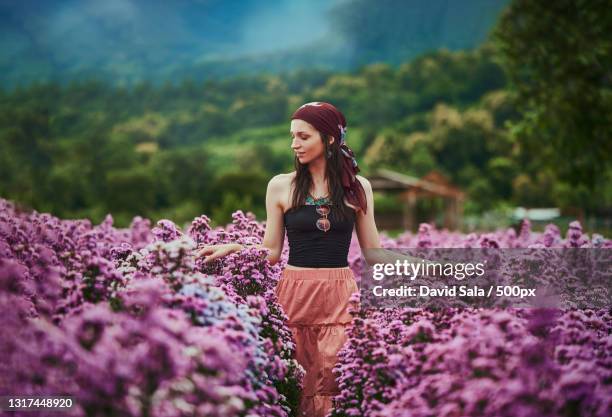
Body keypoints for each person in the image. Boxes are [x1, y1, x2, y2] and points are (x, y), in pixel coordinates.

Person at [196, 101, 382, 417]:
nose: (294, 144)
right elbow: (271, 252)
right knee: (294, 383)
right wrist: (233, 248)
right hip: (294, 294)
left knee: (333, 383)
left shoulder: (357, 188)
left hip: (340, 296)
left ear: (330, 139)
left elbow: (374, 254)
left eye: (303, 136)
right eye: (292, 136)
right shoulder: (281, 186)